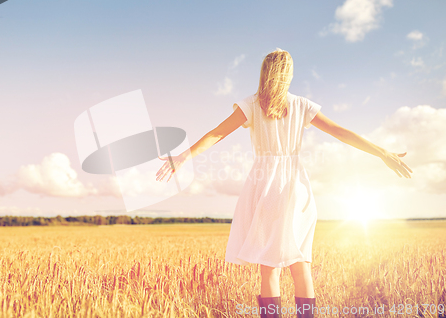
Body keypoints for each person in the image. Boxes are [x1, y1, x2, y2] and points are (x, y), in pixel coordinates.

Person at [155, 48, 412, 318]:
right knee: (301, 263)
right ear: (288, 74)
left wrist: (184, 156)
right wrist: (382, 152)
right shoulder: (302, 105)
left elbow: (217, 134)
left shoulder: (251, 104)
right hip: (296, 187)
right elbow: (339, 131)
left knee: (269, 267)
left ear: (264, 72)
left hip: (265, 187)